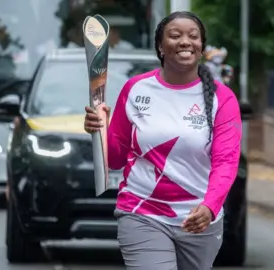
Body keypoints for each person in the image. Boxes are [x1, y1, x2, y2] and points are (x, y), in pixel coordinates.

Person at [83, 11, 242, 270]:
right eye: (175, 35)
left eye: (193, 36)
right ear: (160, 46)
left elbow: (226, 161)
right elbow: (114, 159)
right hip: (142, 211)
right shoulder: (136, 89)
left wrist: (210, 206)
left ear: (201, 47)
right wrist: (99, 130)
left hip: (198, 218)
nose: (185, 41)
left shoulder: (223, 99)